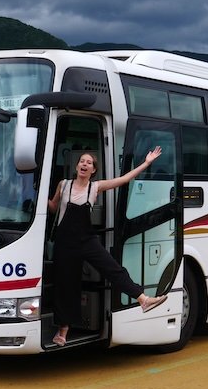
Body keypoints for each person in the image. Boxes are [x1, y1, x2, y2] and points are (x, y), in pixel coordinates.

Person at [47, 146, 168, 347]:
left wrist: (146, 163)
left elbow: (124, 180)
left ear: (93, 170)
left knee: (112, 268)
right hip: (64, 242)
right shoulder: (63, 185)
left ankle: (143, 299)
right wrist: (38, 196)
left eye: (89, 163)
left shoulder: (95, 187)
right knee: (65, 286)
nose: (84, 164)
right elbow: (53, 207)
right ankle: (63, 331)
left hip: (86, 239)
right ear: (76, 166)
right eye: (82, 161)